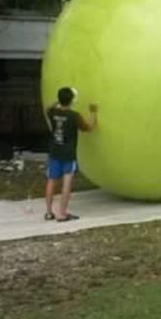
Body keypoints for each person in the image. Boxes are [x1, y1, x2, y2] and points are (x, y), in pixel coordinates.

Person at [44, 86, 97, 222]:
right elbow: (89, 128)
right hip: (68, 155)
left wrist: (58, 101)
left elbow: (47, 108)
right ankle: (62, 214)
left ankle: (49, 212)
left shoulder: (53, 112)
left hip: (54, 152)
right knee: (66, 183)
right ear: (72, 100)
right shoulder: (74, 116)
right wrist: (93, 113)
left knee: (51, 181)